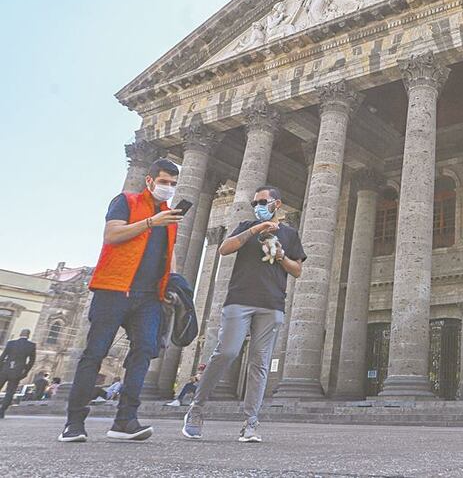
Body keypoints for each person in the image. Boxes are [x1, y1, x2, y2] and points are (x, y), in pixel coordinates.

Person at [59, 159, 184, 443]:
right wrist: (151, 222)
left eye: (173, 184)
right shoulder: (125, 201)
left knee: (144, 353)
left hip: (149, 296)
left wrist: (172, 283)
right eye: (164, 182)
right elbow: (112, 235)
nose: (169, 188)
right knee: (95, 354)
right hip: (114, 289)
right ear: (150, 180)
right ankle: (74, 422)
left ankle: (125, 420)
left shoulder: (169, 215)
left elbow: (170, 253)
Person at [183, 185, 305, 443]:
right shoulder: (245, 226)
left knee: (259, 364)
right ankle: (197, 408)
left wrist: (282, 255)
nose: (258, 206)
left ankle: (251, 423)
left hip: (272, 303)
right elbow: (224, 249)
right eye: (255, 203)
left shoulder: (290, 234)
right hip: (240, 300)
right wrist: (254, 229)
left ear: (277, 204)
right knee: (226, 352)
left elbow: (296, 270)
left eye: (263, 201)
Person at [0, 329, 36, 418]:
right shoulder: (31, 345)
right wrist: (25, 371)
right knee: (10, 391)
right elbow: (31, 361)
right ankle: (2, 410)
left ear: (20, 334)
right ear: (28, 335)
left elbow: (3, 356)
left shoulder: (11, 343)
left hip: (5, 369)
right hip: (17, 371)